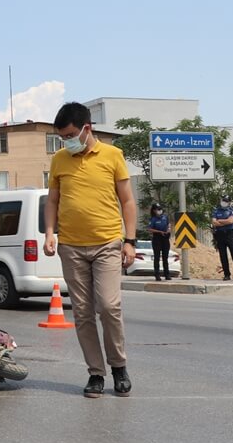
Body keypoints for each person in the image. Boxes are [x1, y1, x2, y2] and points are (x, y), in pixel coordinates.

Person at [43, 102, 136, 399]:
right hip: (70, 245)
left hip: (107, 242)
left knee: (109, 307)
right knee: (82, 313)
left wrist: (130, 240)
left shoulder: (113, 155)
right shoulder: (59, 160)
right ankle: (96, 373)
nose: (66, 141)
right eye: (62, 137)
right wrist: (49, 233)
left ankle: (119, 366)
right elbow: (53, 200)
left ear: (87, 128)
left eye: (70, 134)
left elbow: (128, 201)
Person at [211, 194, 233, 281]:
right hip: (220, 234)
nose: (224, 202)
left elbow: (231, 221)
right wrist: (225, 221)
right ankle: (227, 274)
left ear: (229, 202)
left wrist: (220, 221)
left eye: (226, 201)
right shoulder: (216, 210)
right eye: (223, 200)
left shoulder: (232, 210)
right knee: (223, 255)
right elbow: (214, 222)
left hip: (229, 234)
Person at [146, 203, 172, 281]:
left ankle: (167, 274)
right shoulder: (153, 219)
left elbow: (169, 224)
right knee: (157, 257)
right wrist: (159, 232)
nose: (159, 211)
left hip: (165, 238)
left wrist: (169, 229)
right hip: (157, 238)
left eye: (160, 209)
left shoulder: (165, 217)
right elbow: (149, 229)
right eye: (158, 209)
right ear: (154, 210)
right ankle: (157, 275)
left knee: (165, 257)